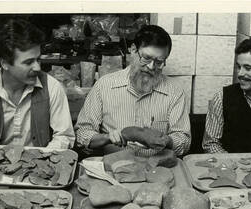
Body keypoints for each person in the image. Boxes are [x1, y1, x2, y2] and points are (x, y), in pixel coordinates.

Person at [0, 18, 75, 158]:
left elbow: (64, 136)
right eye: (28, 62)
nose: (37, 67)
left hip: (39, 169)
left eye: (38, 59)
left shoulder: (52, 86)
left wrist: (40, 158)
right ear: (5, 63)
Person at [75, 25, 191, 157]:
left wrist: (166, 140)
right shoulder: (104, 85)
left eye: (159, 62)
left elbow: (184, 141)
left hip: (157, 167)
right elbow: (82, 133)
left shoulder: (175, 91)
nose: (151, 67)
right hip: (114, 166)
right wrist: (108, 137)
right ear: (133, 50)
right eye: (146, 58)